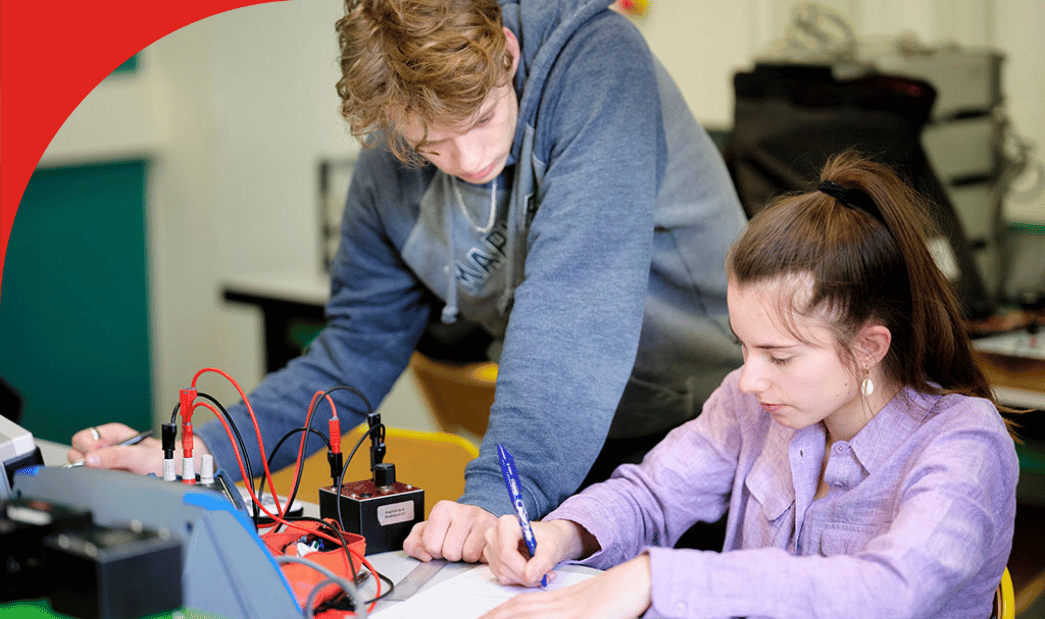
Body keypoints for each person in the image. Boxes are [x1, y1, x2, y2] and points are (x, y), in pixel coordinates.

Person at [68, 0, 746, 563]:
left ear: (507, 53)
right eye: (431, 145)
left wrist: (496, 494)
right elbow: (352, 354)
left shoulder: (596, 60)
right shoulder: (387, 164)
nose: (471, 159)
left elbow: (574, 312)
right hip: (568, 446)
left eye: (482, 119)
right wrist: (203, 447)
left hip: (712, 428)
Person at [480, 151, 1019, 619]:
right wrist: (563, 535)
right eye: (743, 344)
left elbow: (889, 590)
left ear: (869, 347)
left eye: (780, 355)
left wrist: (657, 578)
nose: (750, 377)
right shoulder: (752, 402)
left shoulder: (964, 443)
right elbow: (653, 495)